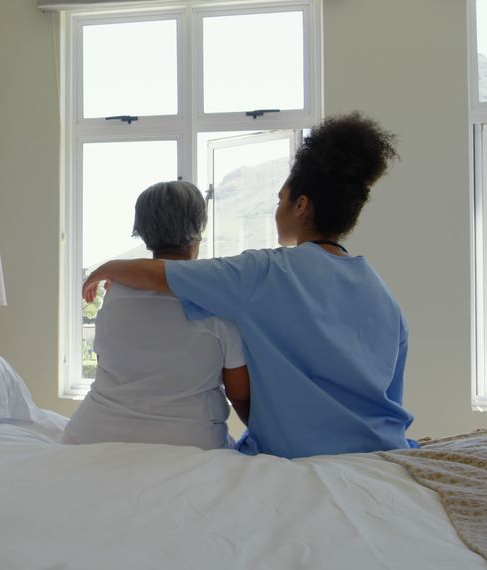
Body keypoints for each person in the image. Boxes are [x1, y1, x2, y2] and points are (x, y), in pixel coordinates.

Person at [82, 112, 415, 459]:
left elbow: (162, 274)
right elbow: (389, 396)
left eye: (280, 199)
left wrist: (106, 268)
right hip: (383, 453)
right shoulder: (382, 295)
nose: (276, 209)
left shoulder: (262, 272)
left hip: (299, 453)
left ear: (301, 205)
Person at [64, 181, 250, 450]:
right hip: (192, 444)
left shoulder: (114, 295)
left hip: (91, 437)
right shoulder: (219, 299)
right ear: (199, 229)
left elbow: (110, 361)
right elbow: (240, 394)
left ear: (142, 231)